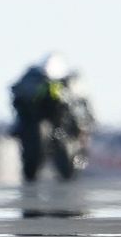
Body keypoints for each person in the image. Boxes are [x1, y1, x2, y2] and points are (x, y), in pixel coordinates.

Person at [10, 53, 93, 182]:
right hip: (35, 121)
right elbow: (17, 96)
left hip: (63, 123)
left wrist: (83, 124)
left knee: (74, 147)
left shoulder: (70, 81)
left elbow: (83, 104)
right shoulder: (31, 78)